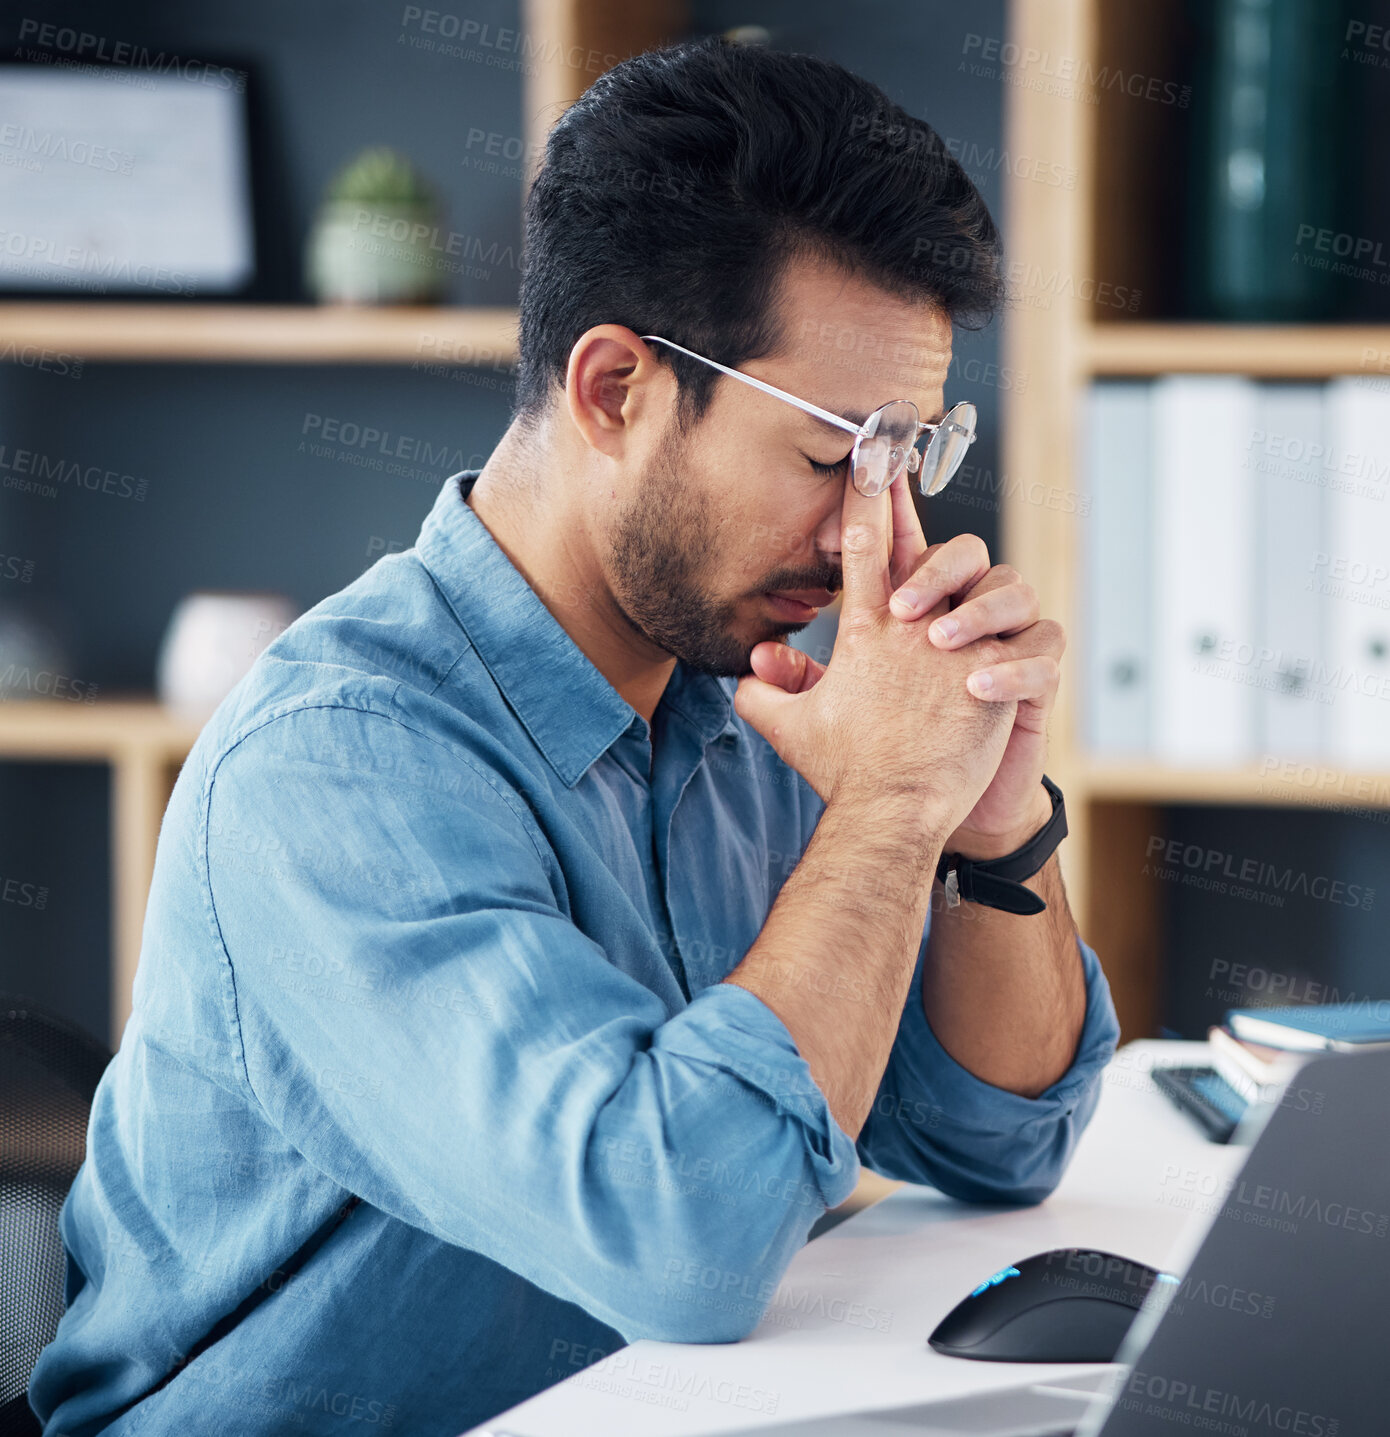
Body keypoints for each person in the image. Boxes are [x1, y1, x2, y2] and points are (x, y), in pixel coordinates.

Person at [29, 35, 1119, 1437]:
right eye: (832, 454)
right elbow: (681, 1239)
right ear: (614, 389)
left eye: (909, 453)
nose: (878, 529)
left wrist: (985, 813)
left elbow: (999, 1136)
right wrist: (892, 805)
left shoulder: (755, 702)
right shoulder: (336, 762)